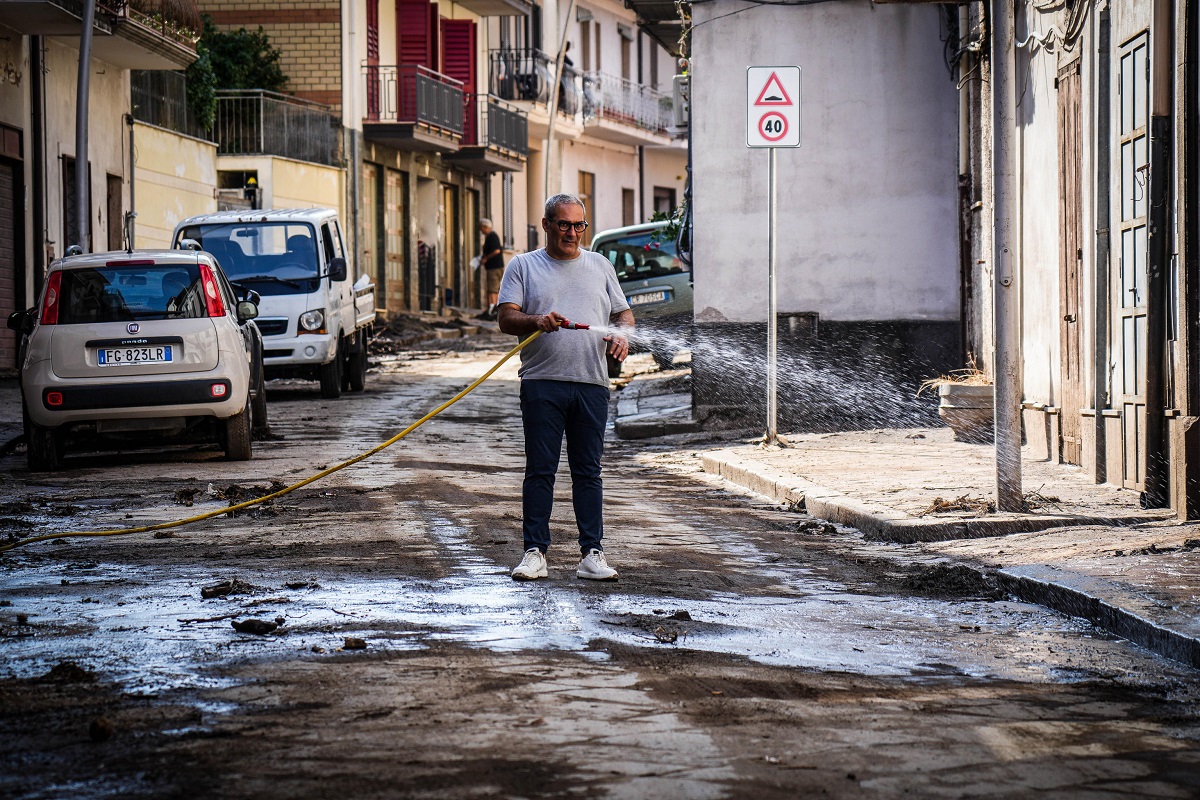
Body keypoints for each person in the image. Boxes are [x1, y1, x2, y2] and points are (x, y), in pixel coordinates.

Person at [497, 194, 634, 581]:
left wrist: (623, 335)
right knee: (541, 470)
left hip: (592, 384)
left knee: (588, 471)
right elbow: (507, 318)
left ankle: (592, 553)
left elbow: (622, 313)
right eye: (563, 224)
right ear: (546, 225)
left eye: (579, 226)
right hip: (542, 383)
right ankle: (534, 553)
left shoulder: (600, 265)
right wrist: (537, 320)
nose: (571, 233)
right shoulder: (523, 266)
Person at [479, 219, 505, 320]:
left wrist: (486, 258)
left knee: (492, 289)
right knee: (494, 289)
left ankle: (492, 310)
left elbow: (497, 250)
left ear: (485, 227)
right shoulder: (491, 236)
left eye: (481, 228)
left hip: (494, 267)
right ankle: (493, 309)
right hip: (495, 267)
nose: (481, 230)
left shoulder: (492, 236)